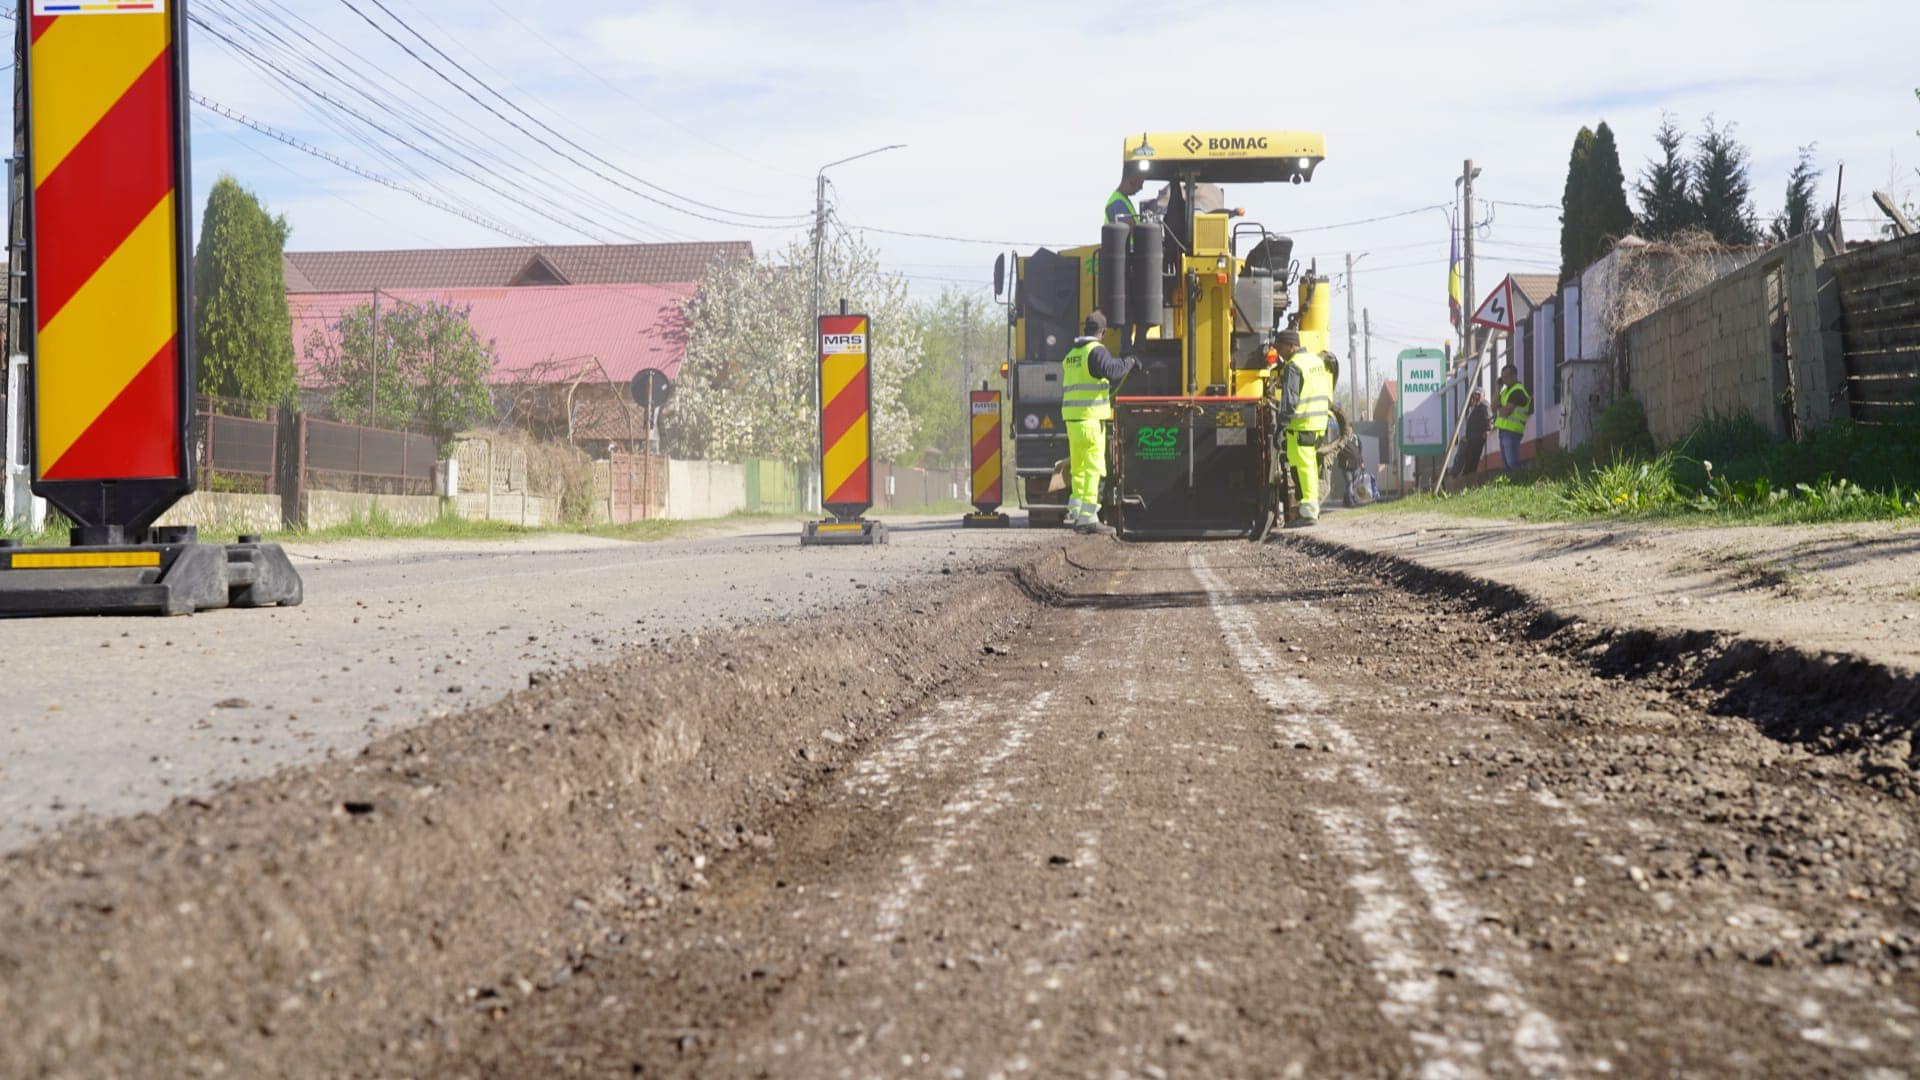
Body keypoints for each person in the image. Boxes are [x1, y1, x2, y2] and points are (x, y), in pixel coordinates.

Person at [1061, 312, 1136, 535]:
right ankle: (1089, 518)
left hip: (1073, 420)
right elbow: (1112, 371)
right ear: (1102, 333)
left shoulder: (1072, 354)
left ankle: (1076, 513)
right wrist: (1130, 361)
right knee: (1094, 468)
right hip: (1090, 419)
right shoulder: (1096, 351)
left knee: (1079, 467)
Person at [1270, 330, 1334, 527]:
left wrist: (1280, 427)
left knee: (1304, 466)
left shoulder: (1294, 366)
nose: (1280, 353)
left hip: (1301, 424)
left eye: (1281, 348)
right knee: (1304, 465)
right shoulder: (1316, 362)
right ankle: (1306, 509)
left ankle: (1309, 512)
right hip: (1317, 422)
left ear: (1291, 346)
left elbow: (1290, 401)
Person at [1495, 364, 1533, 471]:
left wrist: (1499, 406)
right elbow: (1493, 406)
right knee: (1506, 464)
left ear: (1514, 376)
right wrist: (1498, 389)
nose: (1504, 380)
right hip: (1503, 431)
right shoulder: (1505, 391)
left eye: (1506, 376)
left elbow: (1505, 412)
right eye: (1503, 377)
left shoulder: (1518, 391)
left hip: (1512, 431)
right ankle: (1512, 484)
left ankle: (1521, 482)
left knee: (1512, 463)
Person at [1458, 388, 1492, 477]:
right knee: (1468, 462)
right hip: (1472, 440)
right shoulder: (1476, 407)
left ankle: (1469, 481)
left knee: (1472, 462)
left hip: (1477, 439)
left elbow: (1488, 419)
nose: (1476, 397)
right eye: (1474, 395)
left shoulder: (1484, 405)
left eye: (1478, 394)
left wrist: (1488, 430)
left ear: (1483, 395)